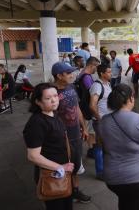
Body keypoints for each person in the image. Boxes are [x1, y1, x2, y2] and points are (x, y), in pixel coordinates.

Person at [23, 83, 75, 210]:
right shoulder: (37, 123)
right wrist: (60, 167)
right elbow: (33, 156)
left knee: (67, 204)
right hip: (51, 175)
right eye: (48, 98)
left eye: (55, 96)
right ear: (38, 102)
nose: (54, 100)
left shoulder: (53, 114)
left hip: (63, 172)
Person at [52, 62, 91, 204]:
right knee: (63, 166)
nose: (72, 75)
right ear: (59, 76)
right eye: (68, 73)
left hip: (76, 134)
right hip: (62, 137)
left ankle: (75, 191)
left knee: (75, 164)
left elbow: (77, 108)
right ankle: (63, 192)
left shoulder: (71, 87)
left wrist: (84, 127)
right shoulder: (51, 92)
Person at [89, 64, 112, 179]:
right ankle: (100, 172)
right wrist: (100, 119)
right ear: (102, 74)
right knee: (100, 146)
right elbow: (92, 106)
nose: (110, 74)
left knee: (105, 146)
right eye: (108, 72)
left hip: (107, 120)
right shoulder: (97, 86)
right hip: (101, 121)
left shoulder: (107, 84)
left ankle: (106, 168)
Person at [75, 57, 100, 159]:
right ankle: (91, 149)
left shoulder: (82, 73)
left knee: (88, 129)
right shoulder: (86, 77)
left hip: (83, 106)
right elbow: (91, 92)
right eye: (96, 66)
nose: (96, 69)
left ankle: (91, 149)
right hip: (86, 108)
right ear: (91, 65)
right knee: (90, 131)